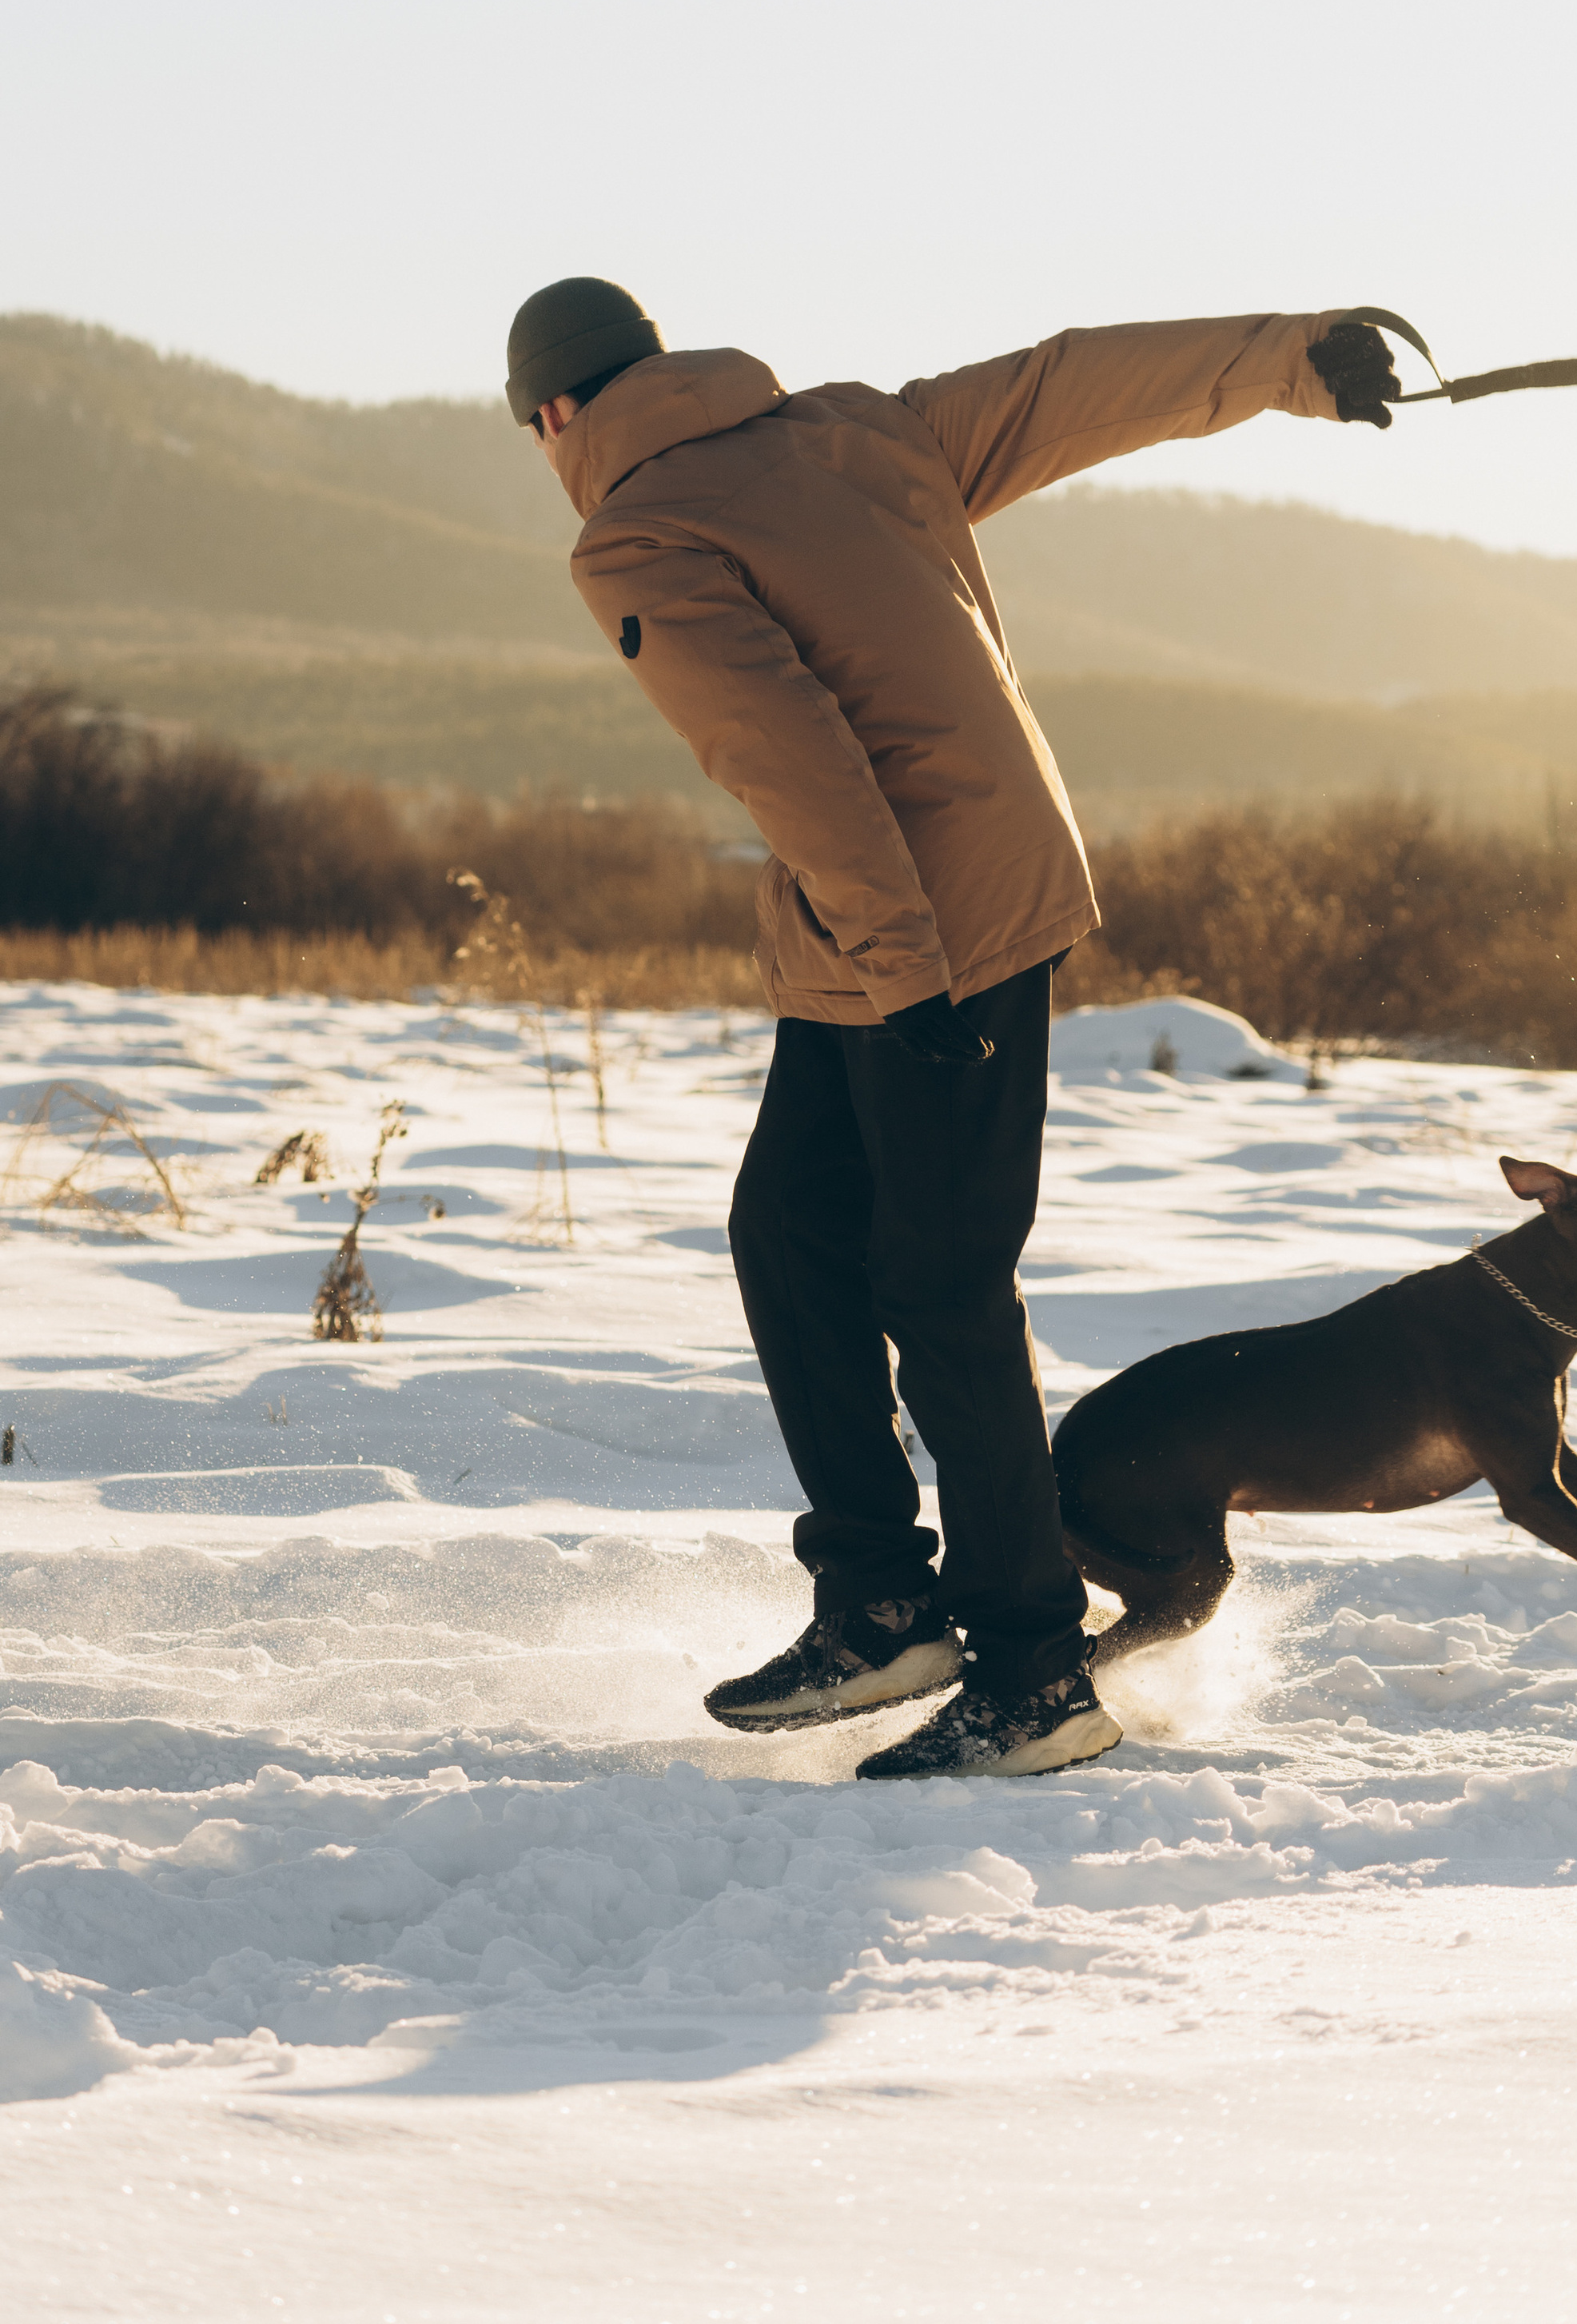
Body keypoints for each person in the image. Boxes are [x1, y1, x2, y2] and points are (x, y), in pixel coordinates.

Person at [507, 276, 1402, 1777]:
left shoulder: (641, 537)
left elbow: (791, 755)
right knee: (793, 1234)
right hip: (892, 931)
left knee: (942, 1286)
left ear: (553, 418)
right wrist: (1288, 362)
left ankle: (1034, 1672)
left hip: (923, 930)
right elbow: (1059, 388)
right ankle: (879, 1605)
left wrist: (909, 974)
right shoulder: (853, 433)